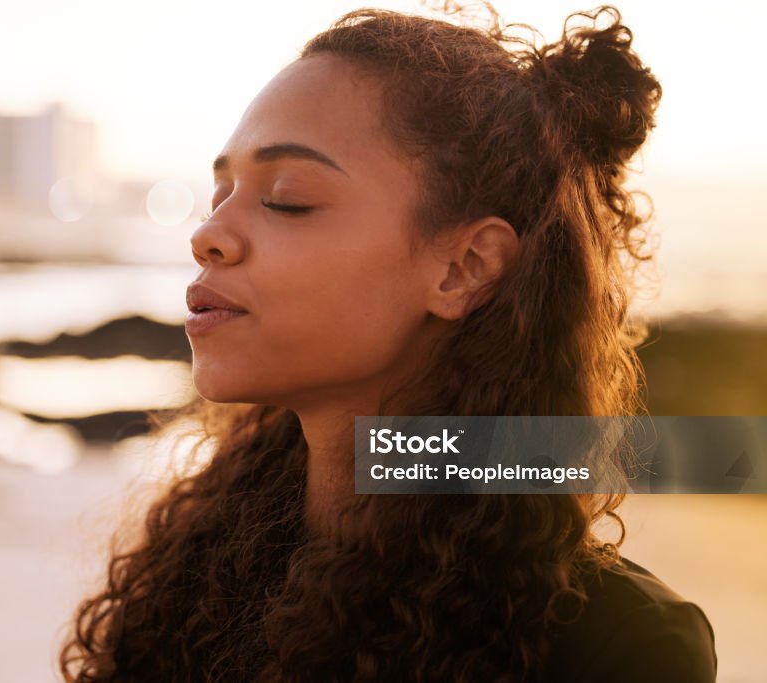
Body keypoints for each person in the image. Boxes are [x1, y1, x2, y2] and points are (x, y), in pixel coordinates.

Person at [60, 5, 717, 681]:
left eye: (287, 197)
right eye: (220, 192)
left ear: (465, 267)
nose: (208, 235)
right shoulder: (199, 572)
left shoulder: (619, 648)